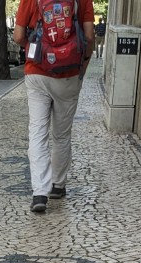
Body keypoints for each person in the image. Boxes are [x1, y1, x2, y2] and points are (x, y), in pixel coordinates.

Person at [13, 0, 95, 214]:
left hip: (37, 73)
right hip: (69, 74)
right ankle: (58, 185)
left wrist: (38, 48)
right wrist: (82, 68)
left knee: (37, 132)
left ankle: (40, 193)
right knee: (61, 134)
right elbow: (89, 37)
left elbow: (18, 36)